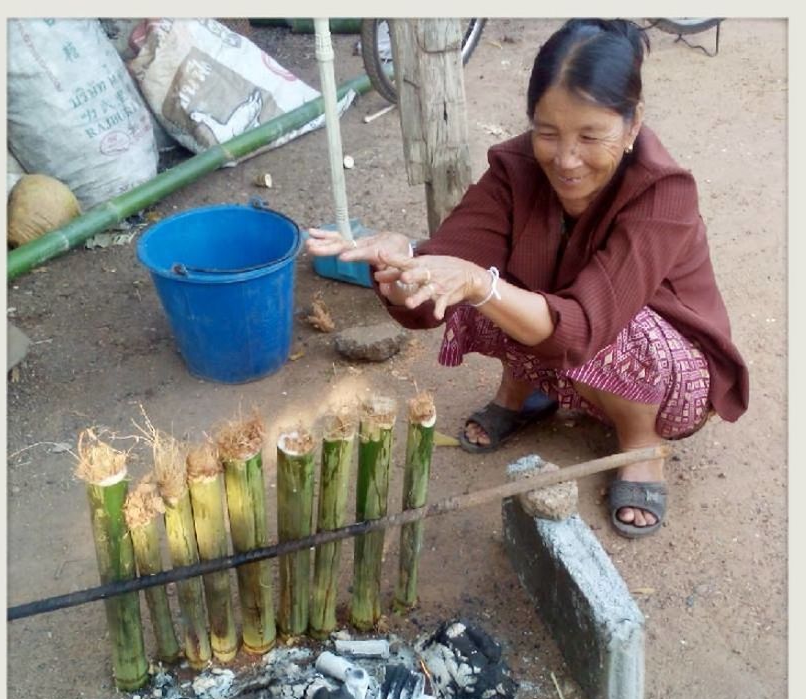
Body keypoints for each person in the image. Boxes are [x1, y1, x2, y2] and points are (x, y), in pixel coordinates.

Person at [305, 18, 748, 538]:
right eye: (547, 132)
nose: (565, 159)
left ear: (632, 126)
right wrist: (403, 263)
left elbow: (585, 325)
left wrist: (481, 283)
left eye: (590, 136)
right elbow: (449, 263)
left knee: (523, 297)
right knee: (476, 283)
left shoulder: (664, 193)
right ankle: (524, 393)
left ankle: (639, 446)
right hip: (564, 328)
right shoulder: (514, 168)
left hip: (665, 358)